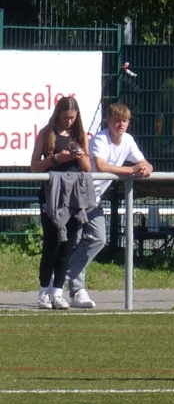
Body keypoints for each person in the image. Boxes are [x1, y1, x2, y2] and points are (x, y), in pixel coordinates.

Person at [69, 101, 153, 309]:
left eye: (125, 121)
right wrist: (132, 170)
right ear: (108, 122)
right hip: (77, 194)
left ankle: (63, 277)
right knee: (72, 242)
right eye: (117, 121)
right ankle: (74, 289)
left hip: (94, 199)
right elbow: (101, 166)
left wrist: (146, 167)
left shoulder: (128, 140)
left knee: (98, 238)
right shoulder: (100, 139)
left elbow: (142, 162)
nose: (121, 125)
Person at [31, 95, 95, 311]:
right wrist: (57, 159)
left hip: (74, 195)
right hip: (52, 193)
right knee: (52, 243)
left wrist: (79, 156)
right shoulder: (46, 134)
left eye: (73, 118)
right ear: (58, 114)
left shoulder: (80, 135)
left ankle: (58, 292)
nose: (69, 122)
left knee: (67, 244)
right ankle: (44, 291)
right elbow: (34, 165)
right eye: (66, 117)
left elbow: (87, 168)